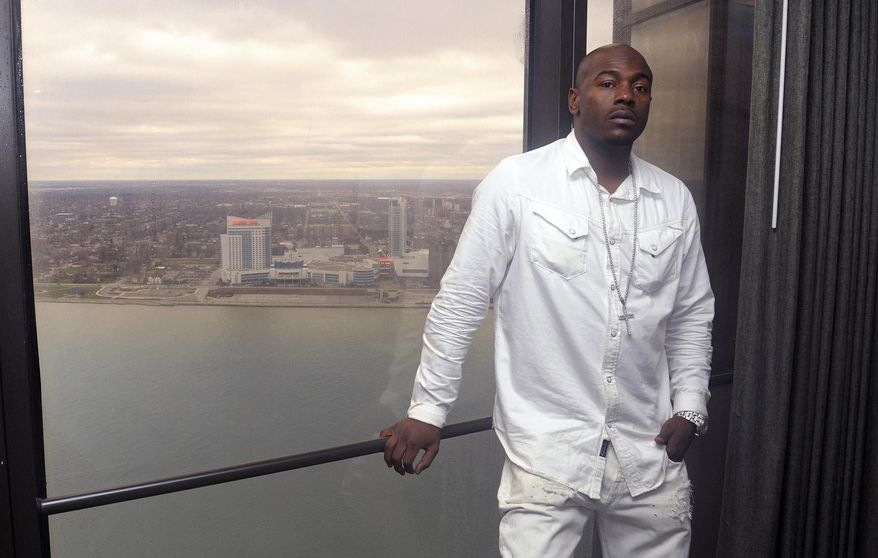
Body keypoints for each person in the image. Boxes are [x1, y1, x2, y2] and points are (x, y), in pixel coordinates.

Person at [380, 43, 714, 557]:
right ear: (575, 99)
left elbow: (691, 315)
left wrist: (690, 407)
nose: (626, 95)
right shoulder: (516, 184)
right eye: (608, 83)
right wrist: (429, 410)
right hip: (546, 458)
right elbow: (461, 302)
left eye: (640, 87)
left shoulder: (674, 199)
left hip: (650, 457)